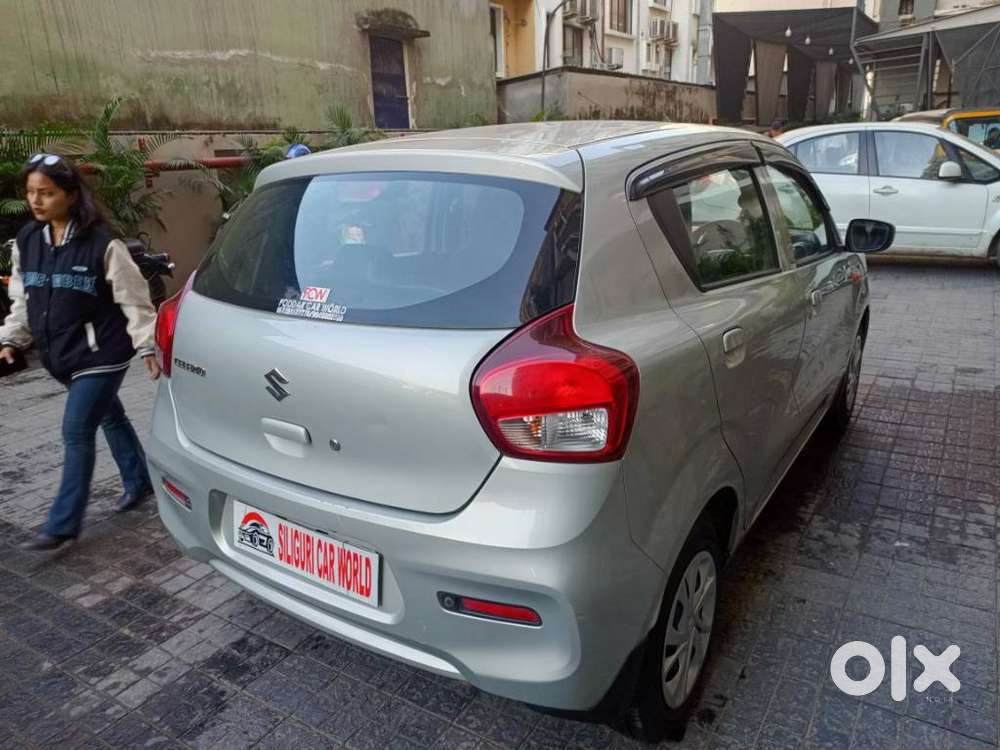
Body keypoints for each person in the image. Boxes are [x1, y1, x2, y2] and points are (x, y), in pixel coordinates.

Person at [0, 153, 160, 551]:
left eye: (47, 193)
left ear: (70, 195)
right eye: (32, 192)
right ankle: (139, 480)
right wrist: (11, 339)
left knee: (76, 430)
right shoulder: (27, 241)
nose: (36, 201)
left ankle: (63, 522)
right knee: (109, 414)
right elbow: (23, 297)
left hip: (101, 353)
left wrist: (147, 346)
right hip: (60, 356)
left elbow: (135, 300)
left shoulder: (103, 245)